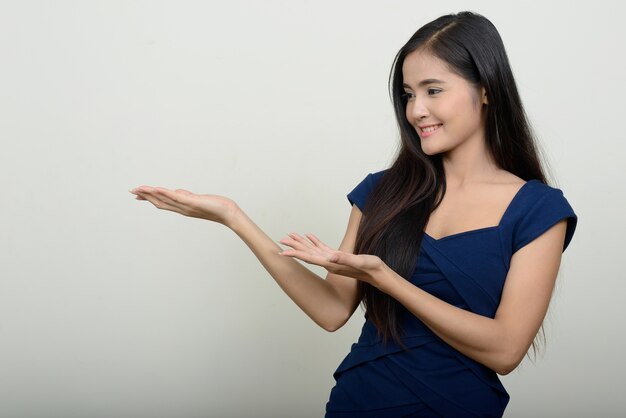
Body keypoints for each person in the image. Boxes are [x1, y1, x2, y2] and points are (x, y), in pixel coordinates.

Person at [130, 11, 577, 418]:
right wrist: (234, 217)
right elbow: (331, 310)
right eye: (408, 94)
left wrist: (386, 279)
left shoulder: (538, 210)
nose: (416, 110)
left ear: (485, 90)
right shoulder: (383, 191)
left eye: (433, 90)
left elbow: (505, 350)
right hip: (358, 402)